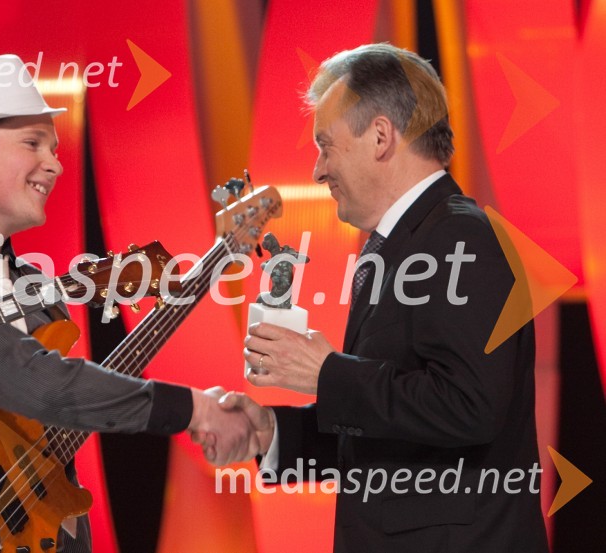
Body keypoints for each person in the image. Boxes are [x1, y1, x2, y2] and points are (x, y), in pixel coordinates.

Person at [0, 54, 257, 553]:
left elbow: (53, 431)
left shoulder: (38, 289)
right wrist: (192, 408)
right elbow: (37, 382)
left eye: (53, 146)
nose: (55, 162)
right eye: (32, 143)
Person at [215, 43, 549, 553]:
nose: (317, 171)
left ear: (379, 136)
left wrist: (326, 373)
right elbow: (391, 433)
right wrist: (272, 432)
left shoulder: (461, 238)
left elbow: (469, 407)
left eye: (326, 145)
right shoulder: (405, 246)